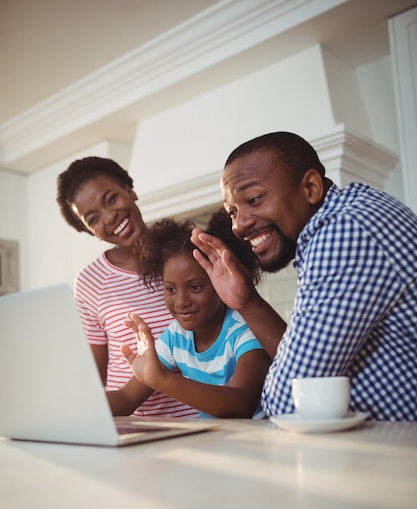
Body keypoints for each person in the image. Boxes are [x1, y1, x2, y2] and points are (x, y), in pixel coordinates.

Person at [191, 131, 417, 422]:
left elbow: (289, 402)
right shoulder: (350, 214)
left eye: (254, 199)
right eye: (232, 211)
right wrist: (246, 301)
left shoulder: (345, 232)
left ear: (311, 187)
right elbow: (306, 373)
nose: (240, 224)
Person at [56, 156, 198, 418]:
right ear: (90, 230)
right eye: (93, 218)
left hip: (198, 419)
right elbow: (95, 375)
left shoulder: (186, 255)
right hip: (133, 425)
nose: (110, 217)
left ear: (129, 189)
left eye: (111, 199)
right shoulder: (90, 282)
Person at [106, 213, 269, 419]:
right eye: (170, 289)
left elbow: (242, 404)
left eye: (195, 287)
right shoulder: (176, 336)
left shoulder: (244, 330)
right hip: (215, 442)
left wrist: (161, 379)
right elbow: (126, 398)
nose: (182, 301)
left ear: (221, 281)